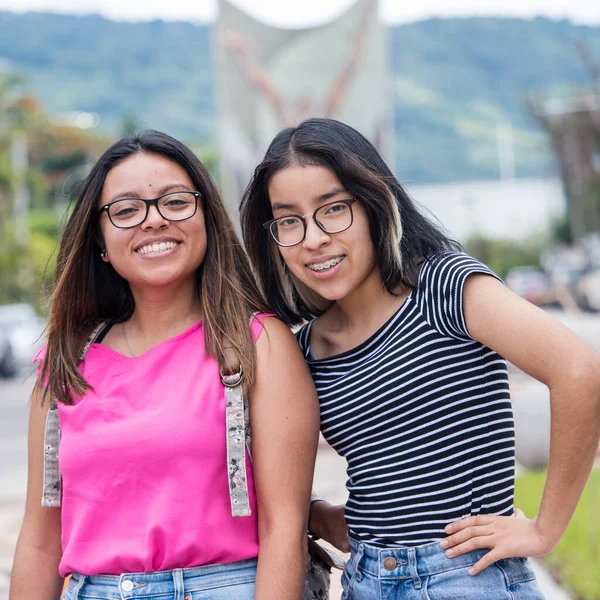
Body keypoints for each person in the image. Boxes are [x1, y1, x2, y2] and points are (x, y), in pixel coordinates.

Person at [240, 118, 600, 599]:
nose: (313, 238)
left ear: (372, 205)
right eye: (289, 220)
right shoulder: (304, 347)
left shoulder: (444, 287)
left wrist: (543, 530)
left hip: (463, 576)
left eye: (333, 209)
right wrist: (320, 513)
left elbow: (579, 371)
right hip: (365, 579)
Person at [10, 130, 320, 600]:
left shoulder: (257, 345)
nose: (153, 222)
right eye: (127, 210)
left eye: (175, 202)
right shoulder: (66, 363)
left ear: (206, 217)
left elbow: (285, 529)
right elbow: (39, 542)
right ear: (99, 238)